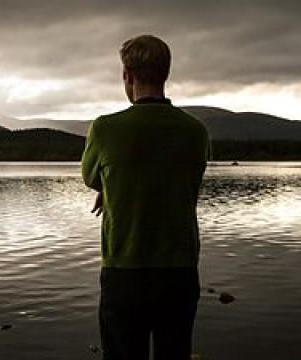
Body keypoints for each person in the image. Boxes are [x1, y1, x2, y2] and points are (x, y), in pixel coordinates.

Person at [81, 35, 211, 360]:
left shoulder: (105, 129)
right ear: (165, 73)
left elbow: (90, 177)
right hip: (179, 271)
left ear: (127, 75)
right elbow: (187, 180)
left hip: (124, 271)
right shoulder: (195, 131)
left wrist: (109, 188)